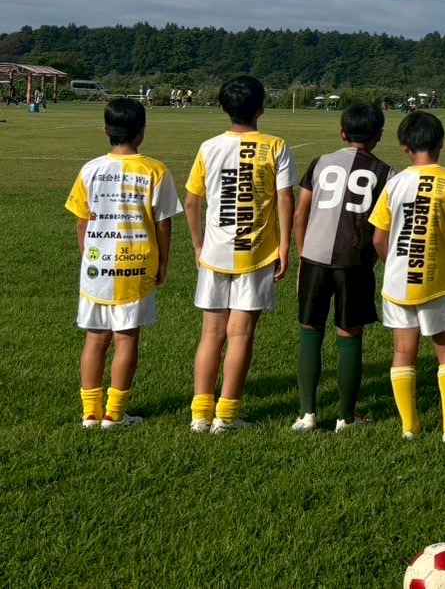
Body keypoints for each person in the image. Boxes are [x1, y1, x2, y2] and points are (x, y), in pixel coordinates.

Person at [185, 75, 296, 433]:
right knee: (241, 335)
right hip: (256, 253)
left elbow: (192, 201)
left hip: (215, 253)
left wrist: (198, 245)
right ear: (262, 108)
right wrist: (285, 245)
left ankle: (200, 415)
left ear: (222, 107)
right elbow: (285, 198)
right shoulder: (276, 146)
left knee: (211, 334)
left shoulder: (209, 147)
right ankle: (227, 416)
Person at [66, 97, 182, 428]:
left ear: (105, 130)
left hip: (97, 269)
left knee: (95, 339)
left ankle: (90, 413)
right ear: (142, 132)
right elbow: (163, 223)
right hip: (137, 266)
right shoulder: (155, 170)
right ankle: (114, 414)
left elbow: (81, 222)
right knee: (127, 338)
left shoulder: (90, 169)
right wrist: (163, 262)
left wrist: (87, 256)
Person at [370, 111, 445, 443]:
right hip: (437, 280)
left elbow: (378, 238)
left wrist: (393, 264)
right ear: (441, 143)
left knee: (404, 351)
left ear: (405, 147)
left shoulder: (395, 183)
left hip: (398, 282)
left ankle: (410, 427)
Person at [290, 104, 395, 433]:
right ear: (379, 136)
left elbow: (300, 214)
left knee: (310, 329)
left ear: (342, 133)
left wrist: (303, 255)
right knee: (349, 333)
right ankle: (346, 418)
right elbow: (383, 228)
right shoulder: (385, 172)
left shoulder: (320, 163)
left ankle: (306, 415)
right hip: (355, 262)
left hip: (314, 259)